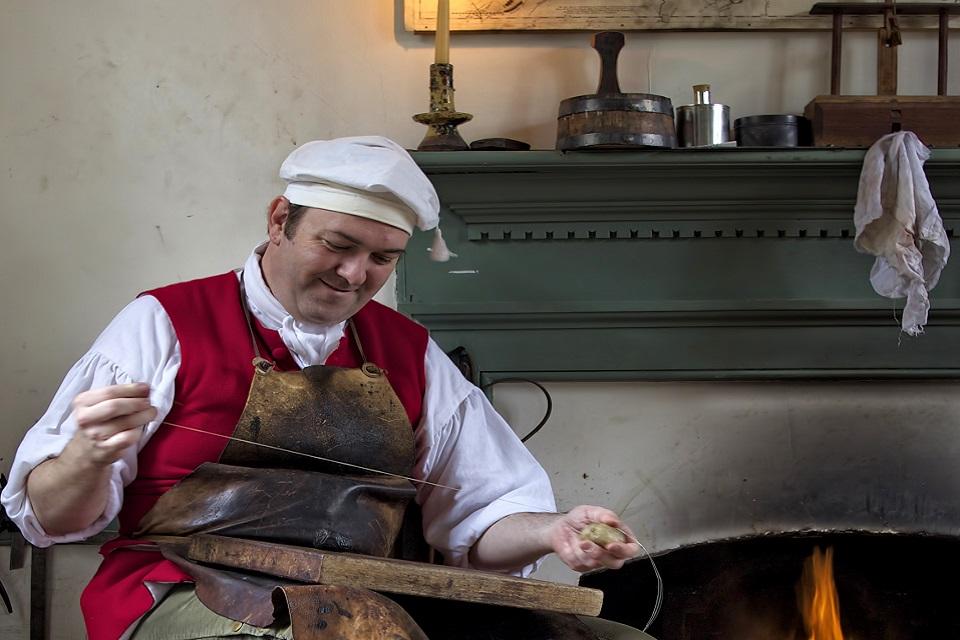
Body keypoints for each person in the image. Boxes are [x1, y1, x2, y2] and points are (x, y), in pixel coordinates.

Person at [1, 136, 639, 639]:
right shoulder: (165, 323)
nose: (354, 274)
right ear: (280, 219)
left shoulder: (409, 351)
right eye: (337, 244)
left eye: (383, 258)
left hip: (367, 595)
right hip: (182, 587)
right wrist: (86, 457)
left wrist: (553, 530)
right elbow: (51, 517)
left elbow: (481, 514)